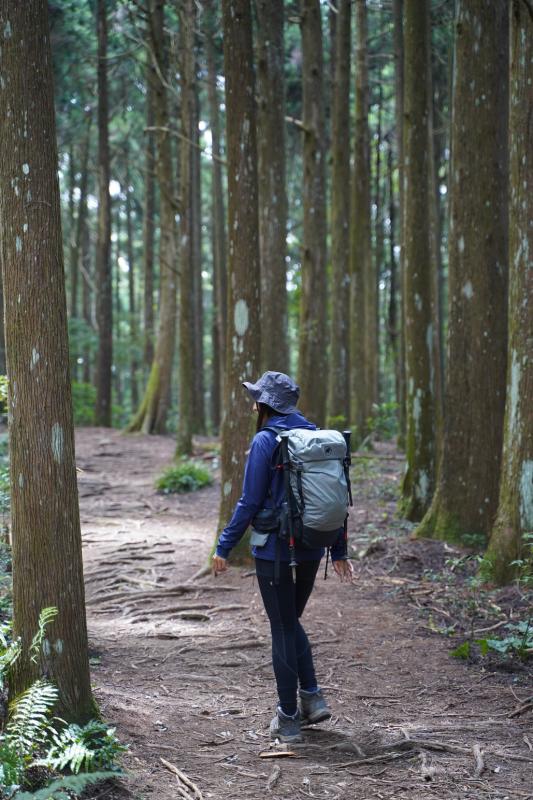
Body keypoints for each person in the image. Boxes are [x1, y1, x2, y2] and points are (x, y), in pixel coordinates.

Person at [212, 371, 354, 744]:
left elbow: (249, 502)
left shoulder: (265, 441)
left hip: (274, 551)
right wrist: (338, 549)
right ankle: (312, 697)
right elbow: (337, 497)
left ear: (264, 405)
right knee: (290, 621)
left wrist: (224, 546)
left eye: (256, 398)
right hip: (311, 546)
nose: (253, 403)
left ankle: (288, 718)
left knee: (283, 627)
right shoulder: (317, 438)